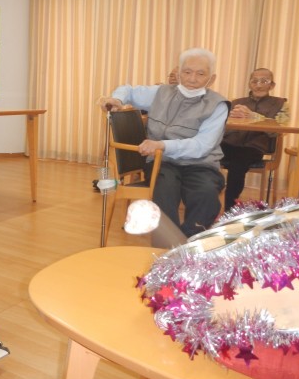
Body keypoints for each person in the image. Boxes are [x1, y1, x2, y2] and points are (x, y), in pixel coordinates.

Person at [100, 48, 229, 237]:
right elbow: (128, 90)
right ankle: (169, 243)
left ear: (212, 78)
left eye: (201, 74)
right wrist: (117, 98)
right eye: (187, 72)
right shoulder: (161, 92)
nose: (192, 79)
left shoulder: (218, 105)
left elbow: (202, 146)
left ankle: (185, 242)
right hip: (162, 162)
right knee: (164, 192)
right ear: (179, 73)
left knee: (206, 195)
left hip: (201, 164)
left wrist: (162, 145)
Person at [221, 68, 287, 210]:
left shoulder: (280, 104)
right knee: (205, 152)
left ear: (272, 85)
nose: (259, 85)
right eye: (254, 81)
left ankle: (229, 210)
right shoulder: (237, 102)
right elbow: (223, 128)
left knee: (238, 162)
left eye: (264, 81)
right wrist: (231, 120)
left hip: (255, 147)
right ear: (249, 84)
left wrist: (254, 116)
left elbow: (279, 129)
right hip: (230, 143)